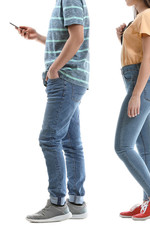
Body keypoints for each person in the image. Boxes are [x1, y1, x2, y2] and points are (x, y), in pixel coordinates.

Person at [19, 0, 90, 223]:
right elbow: (67, 39)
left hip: (65, 79)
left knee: (49, 139)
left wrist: (54, 68)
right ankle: (76, 202)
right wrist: (38, 36)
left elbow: (77, 38)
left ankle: (58, 203)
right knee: (71, 143)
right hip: (73, 79)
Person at [114, 0, 150, 221]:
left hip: (143, 86)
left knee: (122, 146)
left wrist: (135, 94)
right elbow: (139, 54)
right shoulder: (141, 17)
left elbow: (147, 58)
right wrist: (123, 38)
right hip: (142, 84)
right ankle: (149, 203)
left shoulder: (147, 16)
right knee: (145, 148)